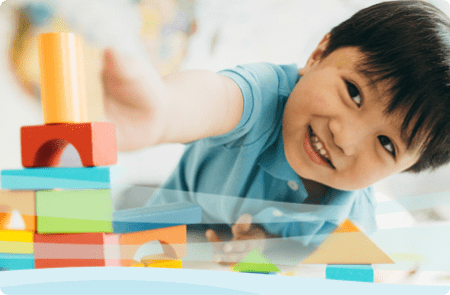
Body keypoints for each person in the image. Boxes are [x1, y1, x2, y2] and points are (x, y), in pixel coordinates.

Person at [102, 0, 450, 264]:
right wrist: (164, 111)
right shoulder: (267, 95)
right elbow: (218, 98)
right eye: (354, 93)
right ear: (318, 54)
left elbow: (313, 274)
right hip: (175, 212)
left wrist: (270, 252)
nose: (345, 139)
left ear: (403, 169)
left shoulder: (351, 227)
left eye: (387, 144)